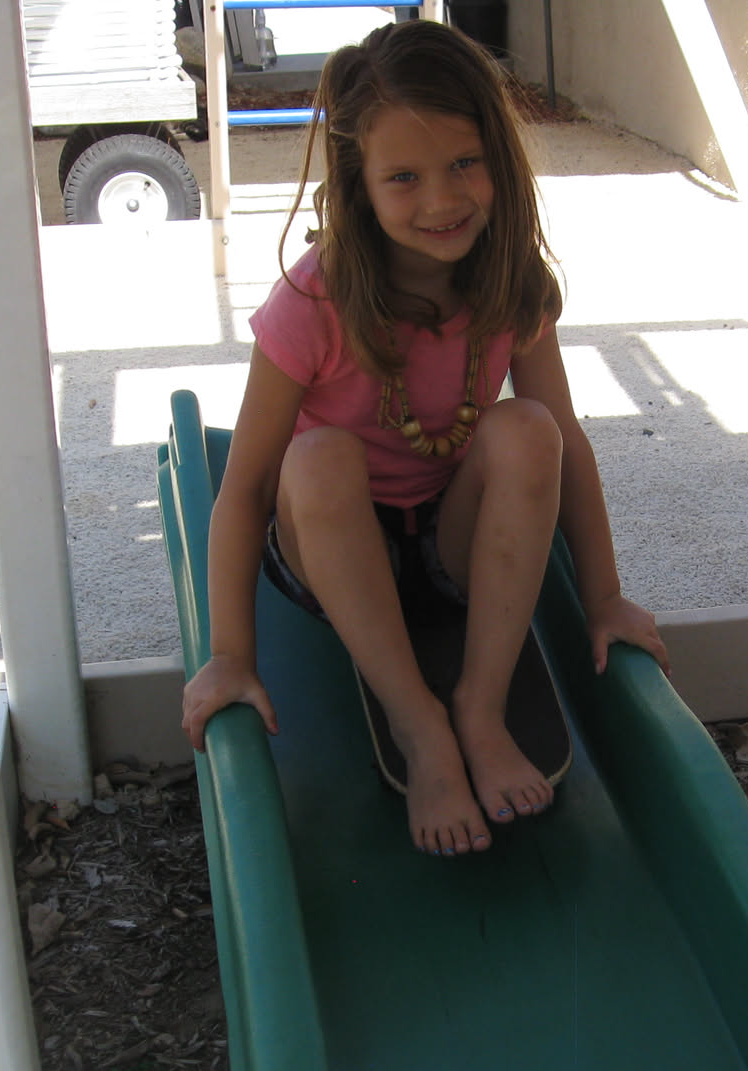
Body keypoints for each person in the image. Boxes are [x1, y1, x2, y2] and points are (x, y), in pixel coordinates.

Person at [181, 19, 669, 858]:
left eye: (465, 164)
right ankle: (418, 725)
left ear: (499, 161)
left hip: (452, 547)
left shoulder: (511, 280)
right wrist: (230, 654)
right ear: (359, 184)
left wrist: (605, 598)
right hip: (334, 556)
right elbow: (248, 487)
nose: (442, 201)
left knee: (529, 429)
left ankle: (480, 707)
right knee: (317, 457)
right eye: (404, 177)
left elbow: (567, 443)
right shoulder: (315, 300)